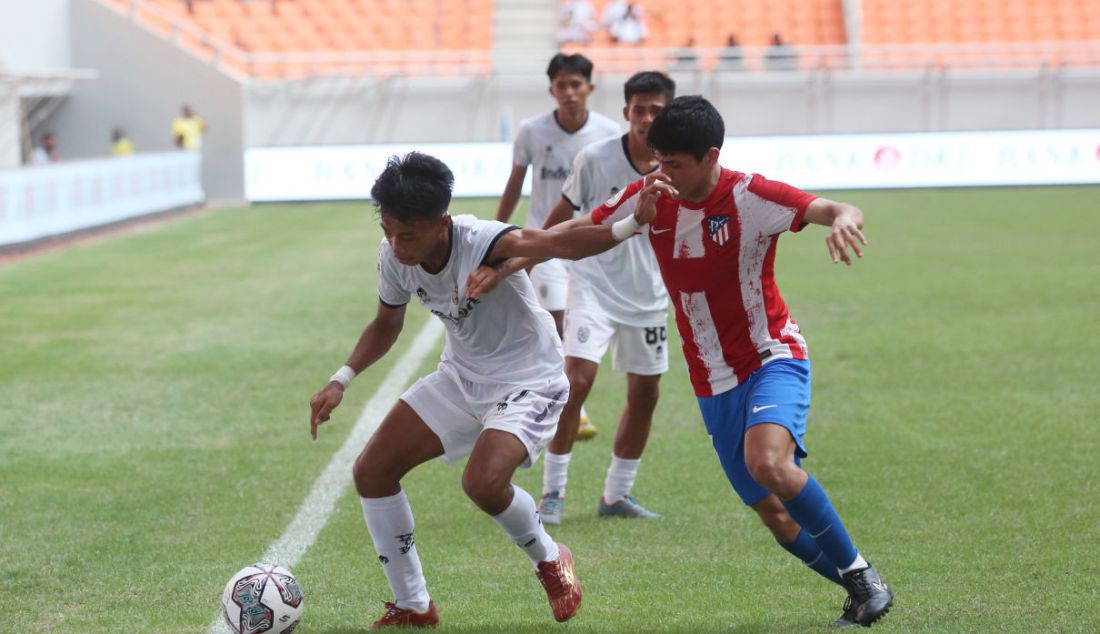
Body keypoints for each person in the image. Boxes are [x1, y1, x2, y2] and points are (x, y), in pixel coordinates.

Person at [470, 96, 895, 628]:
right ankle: (862, 585)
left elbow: (832, 209)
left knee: (769, 464)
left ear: (710, 155)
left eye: (673, 162)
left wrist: (845, 221)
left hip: (771, 355)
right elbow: (576, 238)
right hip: (710, 377)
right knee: (772, 512)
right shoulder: (651, 196)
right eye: (657, 159)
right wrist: (509, 263)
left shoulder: (751, 194)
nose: (660, 171)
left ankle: (861, 576)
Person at [309, 152, 641, 629]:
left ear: (441, 222)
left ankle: (549, 557)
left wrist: (631, 224)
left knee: (483, 483)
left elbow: (560, 243)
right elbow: (386, 324)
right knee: (372, 471)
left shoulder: (485, 240)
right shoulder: (394, 257)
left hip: (530, 378)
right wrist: (341, 380)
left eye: (408, 235)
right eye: (387, 231)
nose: (396, 245)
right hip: (462, 377)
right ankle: (415, 606)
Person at [487, 71, 676, 525]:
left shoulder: (678, 164)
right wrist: (524, 255)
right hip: (591, 281)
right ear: (626, 111)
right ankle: (553, 493)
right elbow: (564, 215)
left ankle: (616, 496)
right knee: (577, 381)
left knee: (645, 392)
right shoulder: (596, 157)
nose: (646, 117)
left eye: (656, 110)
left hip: (648, 293)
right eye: (639, 108)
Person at [496, 53, 619, 439]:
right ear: (552, 90)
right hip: (543, 240)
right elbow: (516, 182)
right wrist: (498, 232)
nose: (569, 92)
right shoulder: (532, 131)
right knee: (557, 320)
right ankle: (566, 406)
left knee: (574, 325)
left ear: (589, 88)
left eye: (576, 84)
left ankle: (557, 399)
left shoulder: (608, 132)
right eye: (561, 85)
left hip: (586, 244)